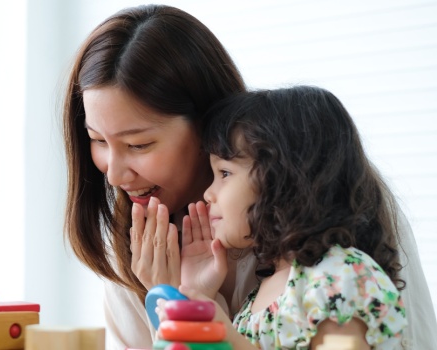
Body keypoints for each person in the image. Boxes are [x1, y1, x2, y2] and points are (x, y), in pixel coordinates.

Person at [61, 4, 437, 350]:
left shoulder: (338, 259)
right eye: (97, 140)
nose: (114, 174)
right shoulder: (138, 247)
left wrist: (190, 310)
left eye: (139, 144)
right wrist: (179, 297)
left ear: (206, 127)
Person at [157, 85, 407, 349]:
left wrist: (228, 340)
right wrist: (198, 294)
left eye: (225, 173)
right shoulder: (261, 296)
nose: (208, 193)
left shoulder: (338, 277)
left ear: (282, 180)